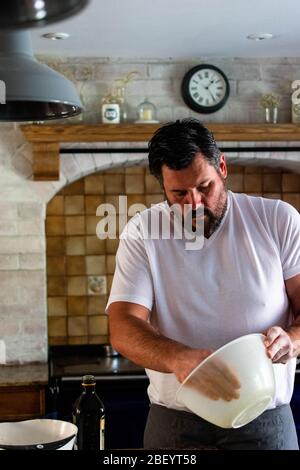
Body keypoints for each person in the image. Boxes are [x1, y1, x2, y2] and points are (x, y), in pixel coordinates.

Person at [106, 119, 300, 450]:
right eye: (179, 193)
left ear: (221, 166)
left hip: (265, 420)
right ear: (163, 187)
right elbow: (123, 327)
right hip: (175, 423)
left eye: (204, 187)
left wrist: (292, 340)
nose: (194, 203)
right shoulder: (142, 231)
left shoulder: (278, 219)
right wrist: (177, 358)